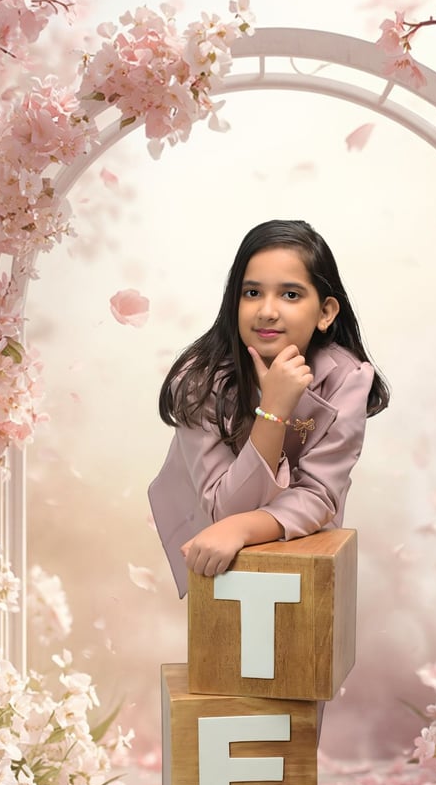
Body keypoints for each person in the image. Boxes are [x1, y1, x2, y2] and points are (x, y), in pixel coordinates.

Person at [148, 218, 389, 598]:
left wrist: (243, 528)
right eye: (252, 293)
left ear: (325, 312)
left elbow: (319, 495)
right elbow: (223, 513)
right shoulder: (199, 382)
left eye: (290, 295)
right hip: (217, 558)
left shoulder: (346, 379)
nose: (267, 311)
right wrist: (273, 411)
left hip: (300, 548)